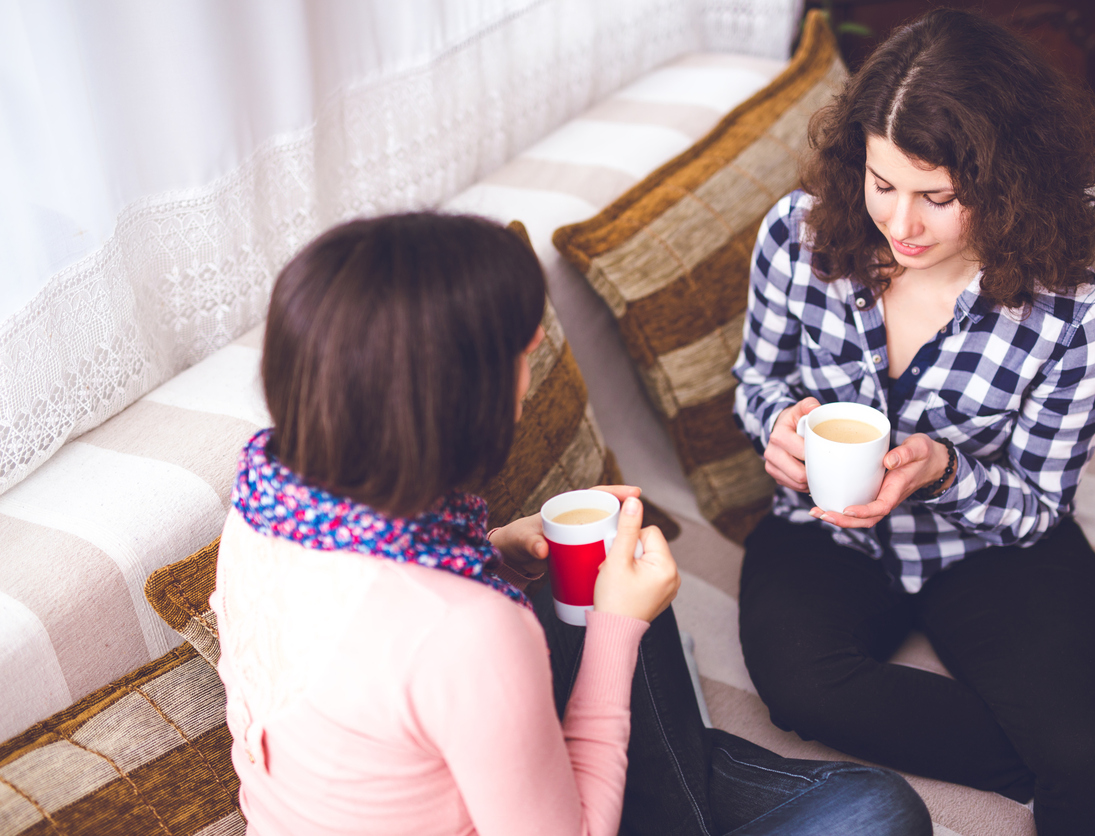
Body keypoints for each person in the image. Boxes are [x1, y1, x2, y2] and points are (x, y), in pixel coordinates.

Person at [210, 211, 932, 836]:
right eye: (522, 359)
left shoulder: (264, 507)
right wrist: (618, 626)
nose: (528, 383)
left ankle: (667, 784)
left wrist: (493, 554)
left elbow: (364, 649)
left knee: (592, 571)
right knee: (877, 809)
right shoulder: (469, 631)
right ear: (459, 399)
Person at [731, 9, 1095, 836]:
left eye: (938, 197)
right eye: (882, 184)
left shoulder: (1072, 317)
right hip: (824, 531)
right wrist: (777, 430)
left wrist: (940, 469)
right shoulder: (796, 238)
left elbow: (1039, 505)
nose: (901, 225)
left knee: (1092, 766)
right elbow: (755, 379)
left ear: (1006, 180)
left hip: (987, 546)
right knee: (799, 685)